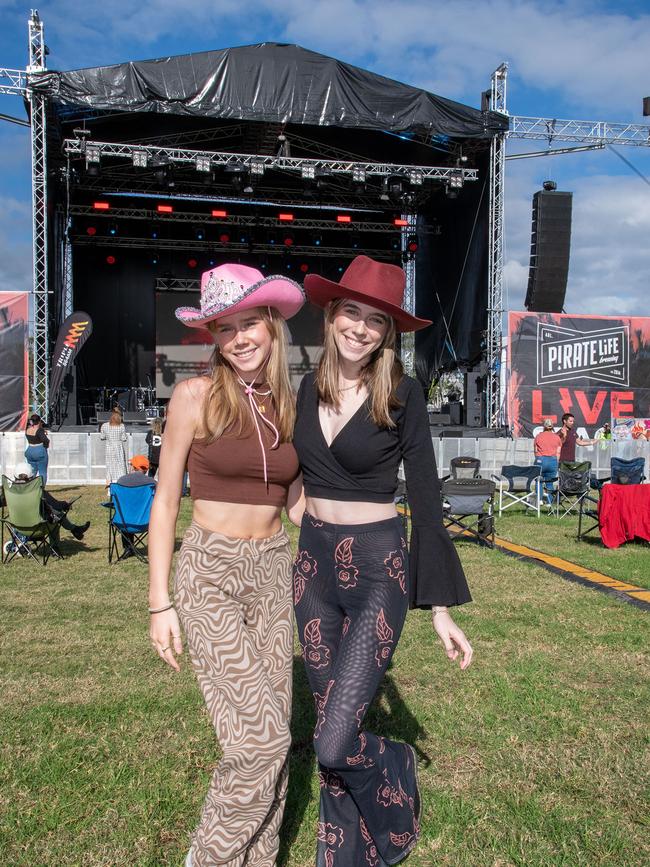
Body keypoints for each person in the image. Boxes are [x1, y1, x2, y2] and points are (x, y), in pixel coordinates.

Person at [292, 255, 473, 866]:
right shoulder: (304, 387)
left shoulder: (402, 393)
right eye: (352, 312)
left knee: (336, 739)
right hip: (312, 571)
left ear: (388, 332)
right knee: (327, 730)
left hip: (378, 572)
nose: (361, 328)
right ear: (331, 314)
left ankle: (393, 775)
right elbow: (293, 470)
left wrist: (440, 607)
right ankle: (342, 853)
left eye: (376, 320)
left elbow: (425, 495)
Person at [147, 263, 305, 867]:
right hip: (210, 571)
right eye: (225, 328)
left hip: (273, 571)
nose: (239, 338)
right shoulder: (194, 396)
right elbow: (165, 502)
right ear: (212, 337)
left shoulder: (289, 403)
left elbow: (295, 504)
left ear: (272, 327)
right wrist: (160, 603)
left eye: (250, 324)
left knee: (280, 740)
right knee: (258, 742)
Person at [2, 462, 90, 556]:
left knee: (55, 514)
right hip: (37, 528)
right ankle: (55, 547)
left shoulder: (9, 491)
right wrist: (66, 504)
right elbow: (56, 505)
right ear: (32, 476)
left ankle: (75, 530)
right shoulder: (37, 491)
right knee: (56, 520)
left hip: (17, 528)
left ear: (15, 475)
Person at [533, 419, 562, 505]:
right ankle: (549, 502)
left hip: (541, 459)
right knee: (550, 483)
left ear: (544, 426)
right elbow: (558, 453)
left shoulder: (538, 436)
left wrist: (539, 459)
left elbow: (535, 451)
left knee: (539, 481)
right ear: (552, 427)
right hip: (553, 460)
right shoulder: (557, 437)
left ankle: (539, 500)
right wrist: (555, 462)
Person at [100, 407, 128, 486]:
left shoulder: (104, 425)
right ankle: (122, 483)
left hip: (109, 447)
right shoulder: (121, 426)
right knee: (121, 465)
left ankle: (109, 485)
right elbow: (124, 438)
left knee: (109, 465)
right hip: (118, 447)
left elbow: (102, 437)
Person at [24, 413, 50, 484]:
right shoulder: (39, 430)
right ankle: (41, 489)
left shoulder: (27, 429)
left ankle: (30, 487)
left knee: (32, 471)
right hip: (39, 450)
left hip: (29, 450)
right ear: (39, 421)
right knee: (42, 471)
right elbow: (46, 440)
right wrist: (45, 447)